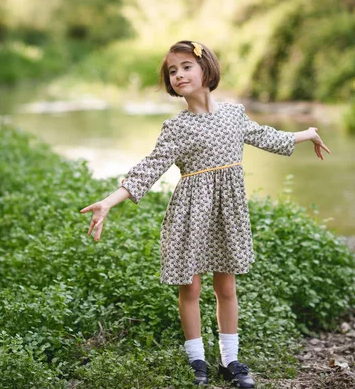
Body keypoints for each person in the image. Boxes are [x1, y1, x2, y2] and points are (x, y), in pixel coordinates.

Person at [80, 40, 330, 387]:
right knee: (191, 287)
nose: (179, 74)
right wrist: (108, 201)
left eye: (186, 66)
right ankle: (197, 360)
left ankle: (231, 361)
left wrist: (308, 133)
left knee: (226, 287)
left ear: (205, 69)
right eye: (172, 71)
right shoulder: (177, 127)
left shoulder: (234, 114)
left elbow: (268, 137)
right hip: (190, 213)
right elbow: (148, 170)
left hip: (228, 212)